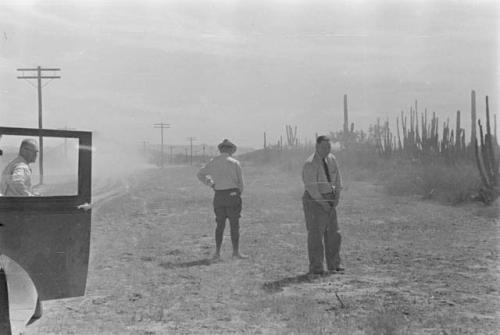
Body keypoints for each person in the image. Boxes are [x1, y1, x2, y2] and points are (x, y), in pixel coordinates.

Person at [197, 139, 247, 261]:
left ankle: (218, 252)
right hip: (232, 195)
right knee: (234, 225)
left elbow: (200, 174)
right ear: (230, 150)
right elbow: (241, 183)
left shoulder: (213, 161)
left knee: (220, 225)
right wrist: (238, 193)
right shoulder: (235, 162)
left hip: (219, 196)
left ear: (221, 149)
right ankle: (235, 252)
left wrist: (211, 184)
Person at [302, 135, 343, 275]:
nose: (327, 149)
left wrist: (337, 196)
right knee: (315, 235)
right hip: (315, 200)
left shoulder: (332, 159)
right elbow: (312, 188)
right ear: (317, 147)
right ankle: (316, 268)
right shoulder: (310, 163)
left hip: (330, 199)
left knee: (334, 234)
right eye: (324, 147)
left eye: (329, 147)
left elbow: (338, 179)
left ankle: (334, 264)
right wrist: (323, 203)